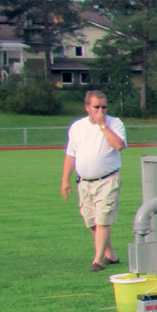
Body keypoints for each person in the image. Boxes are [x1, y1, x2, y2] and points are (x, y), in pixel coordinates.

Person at [62, 90, 128, 272]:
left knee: (102, 219)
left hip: (107, 180)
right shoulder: (77, 127)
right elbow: (70, 154)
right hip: (84, 182)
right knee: (91, 221)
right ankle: (111, 255)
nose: (101, 110)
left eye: (104, 106)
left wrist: (103, 125)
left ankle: (97, 261)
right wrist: (65, 180)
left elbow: (118, 145)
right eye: (96, 107)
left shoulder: (114, 123)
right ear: (87, 107)